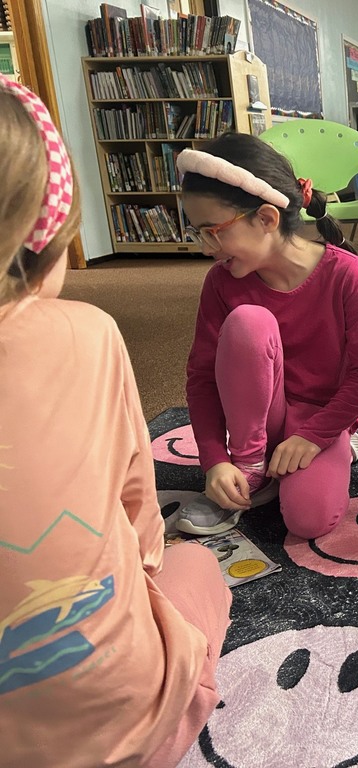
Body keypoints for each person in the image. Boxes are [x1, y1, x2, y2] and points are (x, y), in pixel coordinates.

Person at [0, 76, 231, 767]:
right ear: (45, 230)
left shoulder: (331, 275)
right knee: (198, 568)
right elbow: (141, 526)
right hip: (124, 729)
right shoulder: (88, 334)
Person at [175, 132, 358, 539]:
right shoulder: (221, 283)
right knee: (248, 324)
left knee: (309, 521)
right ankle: (251, 468)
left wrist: (316, 436)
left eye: (213, 231)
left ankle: (338, 445)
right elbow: (202, 377)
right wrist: (214, 461)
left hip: (317, 420)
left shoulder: (343, 273)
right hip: (251, 429)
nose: (205, 247)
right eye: (197, 233)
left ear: (267, 219)